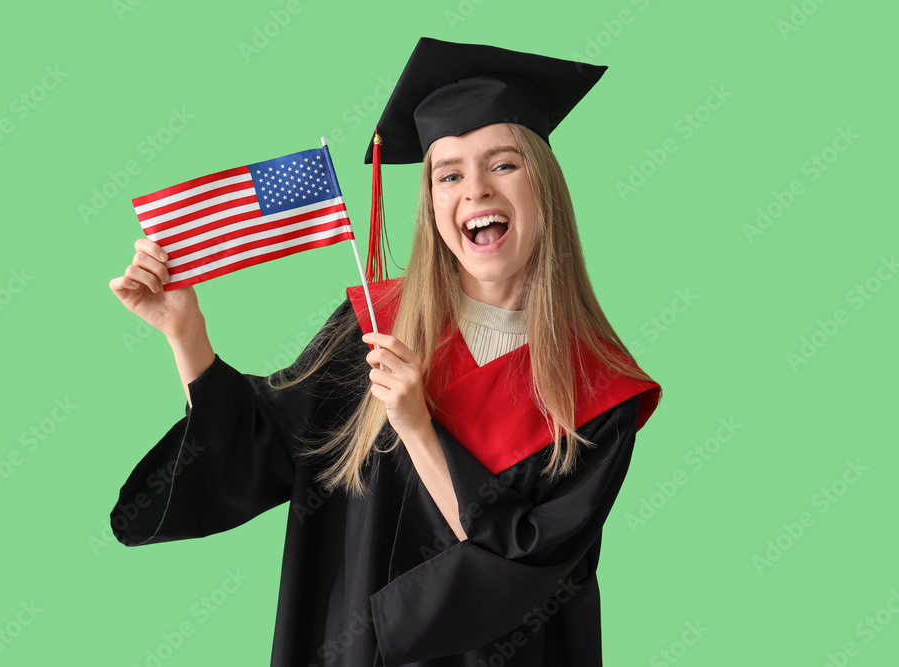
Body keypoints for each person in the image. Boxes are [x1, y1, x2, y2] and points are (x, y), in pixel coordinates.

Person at [108, 37, 662, 666]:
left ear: (545, 186)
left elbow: (526, 566)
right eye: (448, 174)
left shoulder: (596, 391)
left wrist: (417, 426)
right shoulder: (374, 327)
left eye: (503, 164)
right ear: (431, 203)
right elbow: (265, 445)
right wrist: (186, 332)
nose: (474, 190)